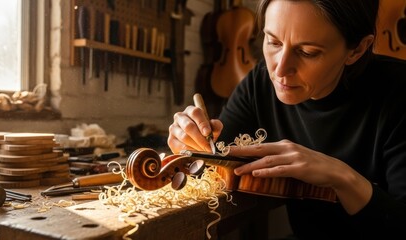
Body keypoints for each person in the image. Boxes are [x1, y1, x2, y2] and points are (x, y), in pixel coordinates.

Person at [167, 0, 406, 239]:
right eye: (273, 42)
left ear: (357, 49)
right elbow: (212, 166)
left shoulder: (398, 91)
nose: (280, 70)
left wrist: (341, 177)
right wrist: (191, 147)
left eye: (307, 52)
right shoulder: (260, 84)